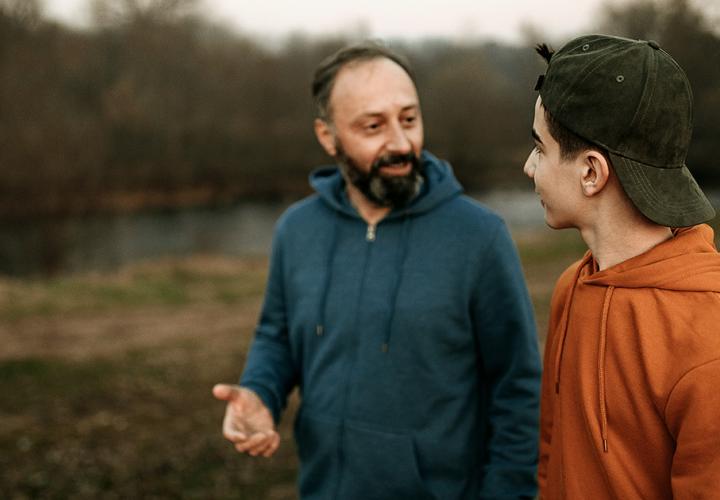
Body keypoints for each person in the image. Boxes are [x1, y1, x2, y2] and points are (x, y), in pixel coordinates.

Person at [213, 41, 542, 500]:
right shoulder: (297, 229)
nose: (401, 143)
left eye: (409, 119)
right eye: (373, 126)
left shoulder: (479, 237)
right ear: (327, 137)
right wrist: (259, 393)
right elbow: (277, 335)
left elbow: (519, 388)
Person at [524, 34, 720, 499]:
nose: (529, 167)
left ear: (591, 172)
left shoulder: (708, 339)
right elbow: (552, 458)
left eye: (541, 148)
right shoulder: (572, 287)